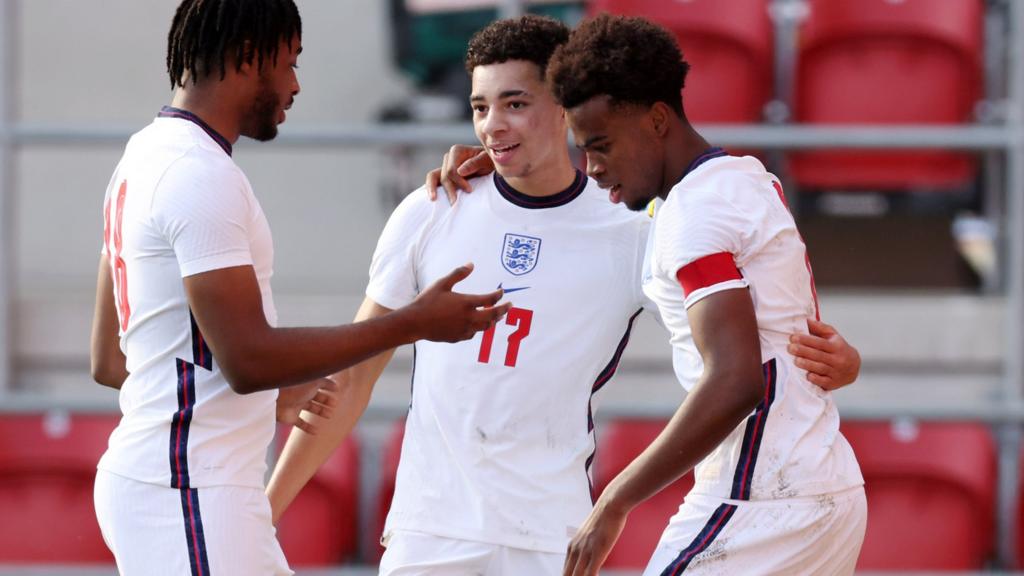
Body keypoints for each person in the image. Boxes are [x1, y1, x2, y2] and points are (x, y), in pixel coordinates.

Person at [266, 14, 862, 576]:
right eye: (479, 107)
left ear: (562, 106)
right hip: (431, 532)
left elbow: (741, 335)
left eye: (515, 103)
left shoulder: (638, 229)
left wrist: (837, 357)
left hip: (550, 539)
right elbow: (348, 383)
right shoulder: (434, 209)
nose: (492, 124)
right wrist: (262, 519)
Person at [89, 2, 508, 574]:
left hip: (169, 485)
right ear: (245, 58)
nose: (295, 84)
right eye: (289, 63)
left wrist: (261, 396)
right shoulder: (199, 176)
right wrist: (413, 323)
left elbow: (112, 358)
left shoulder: (141, 156)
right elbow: (248, 359)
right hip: (188, 492)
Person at [546, 14, 867, 576]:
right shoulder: (743, 177)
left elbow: (735, 380)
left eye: (600, 146)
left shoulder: (695, 213)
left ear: (657, 120)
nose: (591, 168)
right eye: (581, 149)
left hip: (764, 500)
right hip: (824, 486)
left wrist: (614, 500)